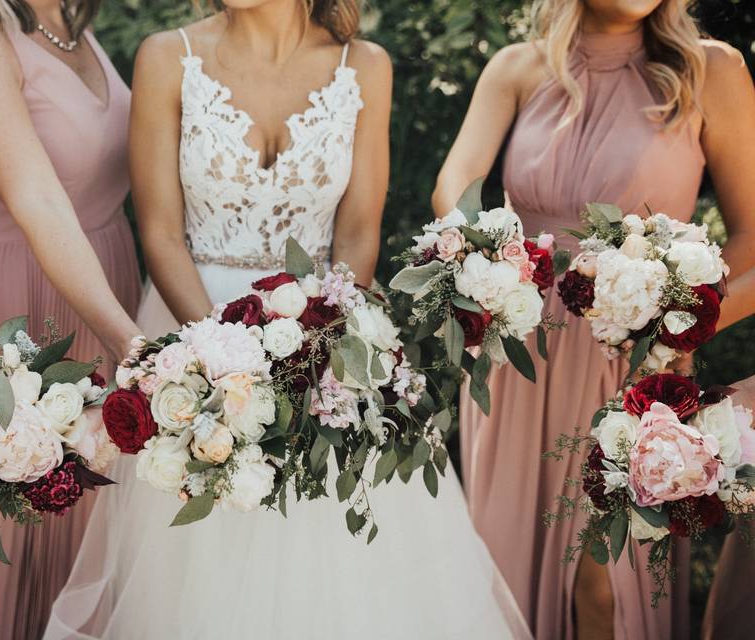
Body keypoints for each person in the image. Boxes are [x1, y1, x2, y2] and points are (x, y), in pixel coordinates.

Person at [46, 2, 530, 638]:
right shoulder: (169, 57)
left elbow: (359, 234)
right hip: (193, 336)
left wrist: (315, 342)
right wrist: (220, 360)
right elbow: (161, 232)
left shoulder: (366, 66)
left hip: (324, 345)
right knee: (197, 564)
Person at [432, 0, 755, 638]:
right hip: (520, 351)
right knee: (507, 582)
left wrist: (684, 323)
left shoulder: (709, 70)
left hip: (638, 362)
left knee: (603, 587)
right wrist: (488, 268)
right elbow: (454, 193)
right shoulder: (516, 68)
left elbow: (752, 235)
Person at [0, 0, 143, 636]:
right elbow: (36, 196)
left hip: (102, 281)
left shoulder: (72, 19)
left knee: (90, 538)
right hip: (12, 310)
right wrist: (132, 341)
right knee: (21, 529)